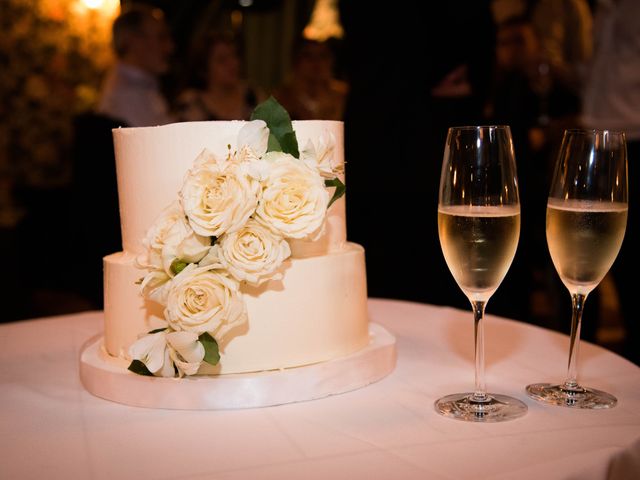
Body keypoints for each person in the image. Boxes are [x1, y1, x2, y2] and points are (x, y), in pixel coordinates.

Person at [582, 0, 640, 365]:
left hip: (633, 137)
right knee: (586, 255)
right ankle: (578, 364)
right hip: (593, 135)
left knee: (631, 263)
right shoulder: (605, 7)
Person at [98, 5, 175, 127]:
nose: (170, 47)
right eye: (161, 37)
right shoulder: (126, 95)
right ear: (135, 42)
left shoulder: (143, 85)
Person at [176, 32, 264, 121]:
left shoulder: (252, 95)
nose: (233, 64)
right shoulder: (192, 103)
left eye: (234, 55)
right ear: (203, 69)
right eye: (222, 60)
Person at [274, 37, 347, 121]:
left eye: (322, 56)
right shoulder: (280, 99)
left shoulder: (342, 97)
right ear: (296, 61)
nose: (316, 62)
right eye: (308, 56)